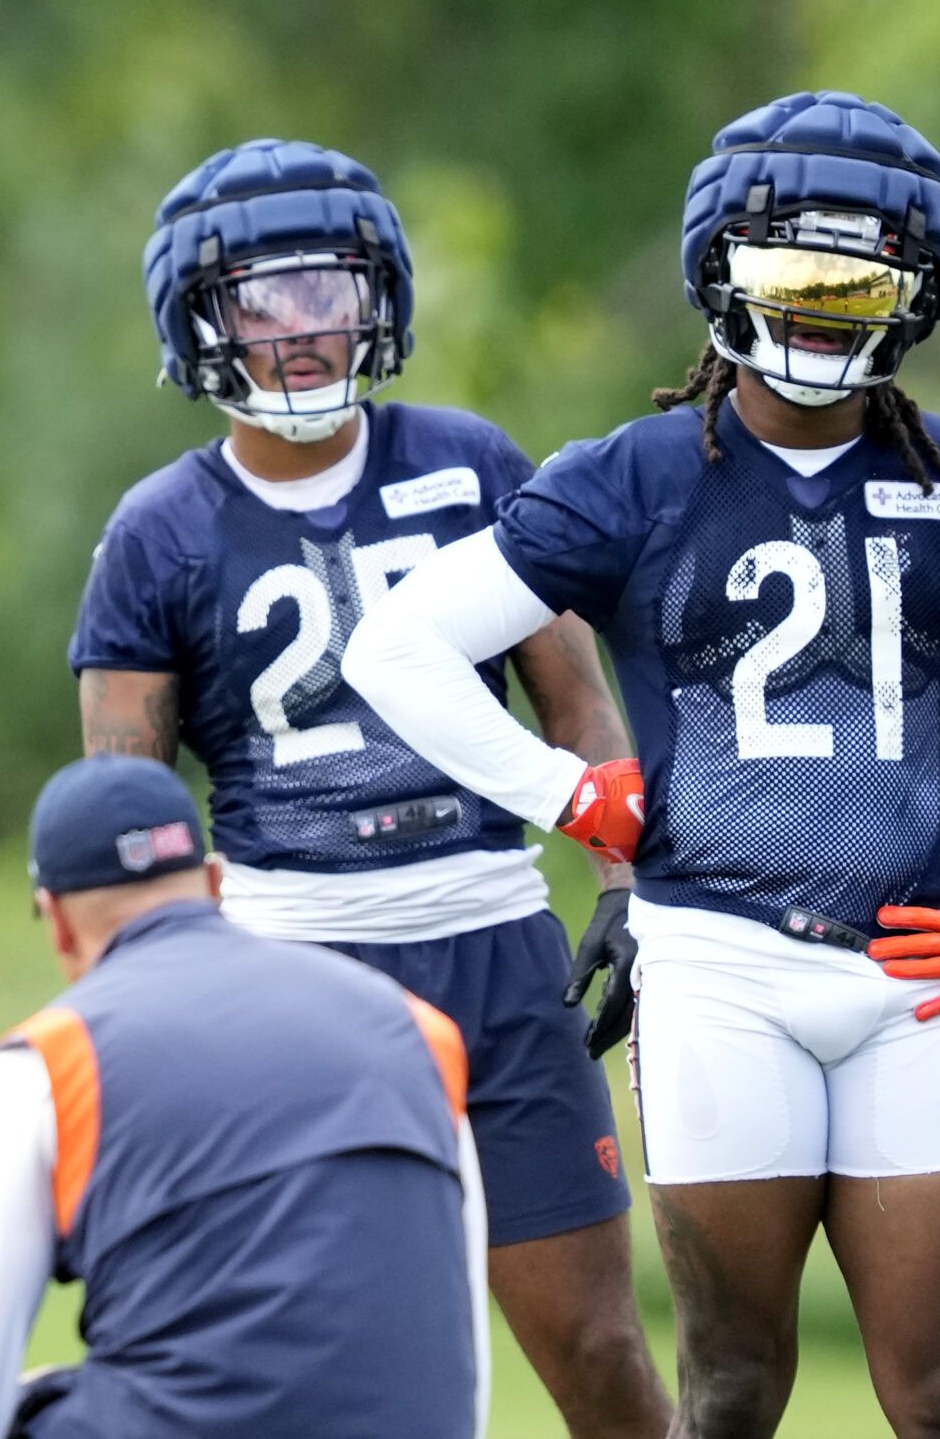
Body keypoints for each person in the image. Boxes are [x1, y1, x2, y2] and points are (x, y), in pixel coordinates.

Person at [344, 90, 940, 1439]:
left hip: (910, 976)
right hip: (720, 966)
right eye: (791, 274)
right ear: (721, 270)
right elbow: (394, 648)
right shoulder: (636, 475)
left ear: (915, 292)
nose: (818, 309)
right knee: (732, 1387)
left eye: (854, 280)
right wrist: (571, 789)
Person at [69, 137, 668, 1436]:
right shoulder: (159, 529)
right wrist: (145, 995)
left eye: (325, 291)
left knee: (602, 1346)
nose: (299, 329)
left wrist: (627, 882)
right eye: (261, 300)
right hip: (291, 955)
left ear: (377, 295)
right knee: (317, 1355)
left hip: (494, 935)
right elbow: (122, 808)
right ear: (201, 318)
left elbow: (573, 692)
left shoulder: (471, 462)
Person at [0, 755, 483, 1439]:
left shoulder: (47, 1063)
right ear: (214, 883)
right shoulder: (419, 1029)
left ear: (54, 919)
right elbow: (459, 1365)